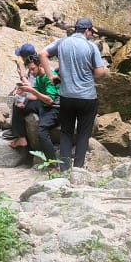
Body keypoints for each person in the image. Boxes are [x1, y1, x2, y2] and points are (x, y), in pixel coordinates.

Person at [40, 17, 107, 171]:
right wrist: (87, 73)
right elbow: (100, 72)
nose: (91, 35)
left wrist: (51, 77)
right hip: (87, 97)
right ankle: (78, 168)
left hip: (66, 96)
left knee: (66, 132)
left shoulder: (62, 42)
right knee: (83, 133)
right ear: (87, 31)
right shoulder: (91, 46)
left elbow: (42, 54)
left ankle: (64, 168)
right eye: (91, 32)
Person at [8, 43, 61, 165]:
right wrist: (23, 94)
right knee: (18, 105)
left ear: (40, 65)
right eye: (30, 69)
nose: (31, 72)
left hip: (54, 108)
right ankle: (21, 138)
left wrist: (31, 91)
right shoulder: (38, 76)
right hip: (43, 103)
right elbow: (35, 95)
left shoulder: (49, 76)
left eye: (33, 69)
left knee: (42, 132)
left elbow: (50, 100)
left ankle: (53, 164)